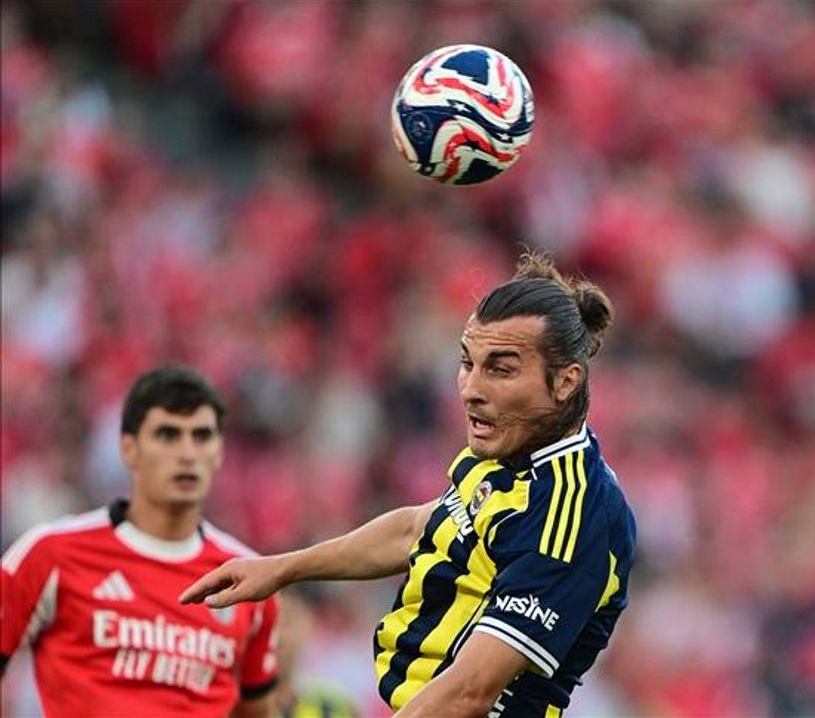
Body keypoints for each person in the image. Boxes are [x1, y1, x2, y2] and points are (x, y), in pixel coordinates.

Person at [181, 252, 637, 718]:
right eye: (468, 363)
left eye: (500, 370)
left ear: (565, 382)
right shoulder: (508, 453)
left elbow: (470, 692)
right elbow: (420, 529)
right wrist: (281, 569)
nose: (471, 389)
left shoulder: (572, 514)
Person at [0, 365, 280, 718]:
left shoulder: (247, 577)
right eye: (168, 434)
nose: (187, 453)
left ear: (219, 452)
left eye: (202, 436)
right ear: (129, 449)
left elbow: (256, 711)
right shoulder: (50, 553)